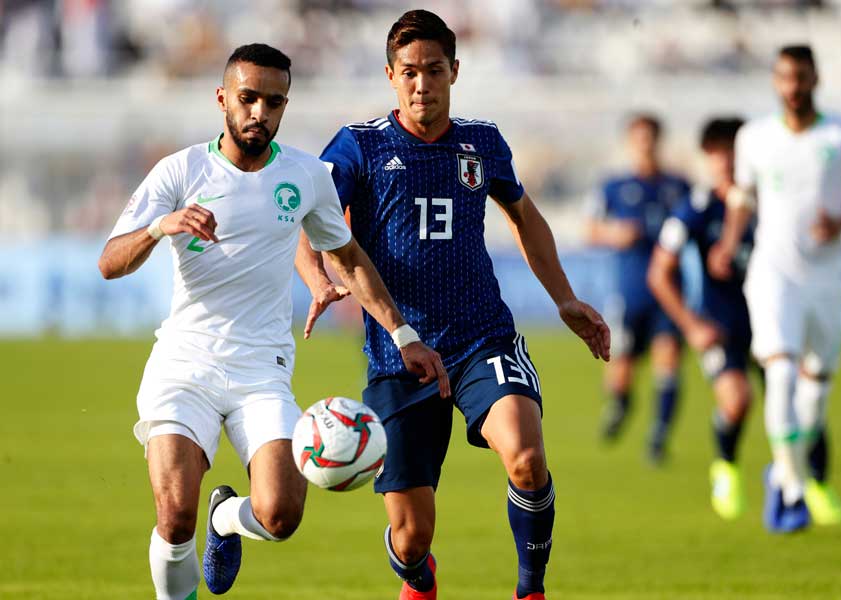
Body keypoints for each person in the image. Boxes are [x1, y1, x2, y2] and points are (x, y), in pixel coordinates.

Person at [98, 43, 448, 599]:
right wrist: (161, 226)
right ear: (222, 99)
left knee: (281, 515)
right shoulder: (182, 170)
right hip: (184, 364)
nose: (259, 112)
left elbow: (349, 256)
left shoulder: (306, 175)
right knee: (174, 517)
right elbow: (110, 261)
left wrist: (402, 333)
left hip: (262, 368)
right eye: (248, 98)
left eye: (274, 101)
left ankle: (227, 520)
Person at [296, 11, 610, 600]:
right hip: (398, 354)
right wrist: (317, 279)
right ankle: (419, 578)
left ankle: (530, 589)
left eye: (434, 70)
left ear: (454, 72)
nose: (422, 84)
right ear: (391, 75)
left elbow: (524, 215)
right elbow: (311, 226)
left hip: (480, 338)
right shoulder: (358, 145)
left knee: (525, 456)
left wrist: (564, 298)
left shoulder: (481, 142)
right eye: (409, 72)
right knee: (412, 538)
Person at [709, 45, 841, 533]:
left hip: (827, 277)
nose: (793, 87)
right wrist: (728, 243)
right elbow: (743, 199)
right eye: (785, 78)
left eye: (802, 78)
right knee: (781, 372)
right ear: (776, 81)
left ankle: (787, 468)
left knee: (814, 395)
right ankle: (791, 487)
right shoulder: (755, 137)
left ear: (817, 79)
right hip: (773, 273)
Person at [648, 117, 754, 520]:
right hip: (720, 324)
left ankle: (805, 481)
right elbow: (660, 272)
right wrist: (692, 325)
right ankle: (726, 466)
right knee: (737, 400)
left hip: (772, 316)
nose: (725, 162)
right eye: (717, 154)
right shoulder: (695, 208)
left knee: (796, 403)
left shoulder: (767, 203)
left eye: (732, 153)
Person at [585, 114, 690, 462]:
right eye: (639, 138)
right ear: (630, 142)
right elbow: (590, 230)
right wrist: (614, 233)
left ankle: (658, 437)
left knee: (668, 358)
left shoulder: (678, 186)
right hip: (629, 291)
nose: (645, 144)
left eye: (650, 137)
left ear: (659, 140)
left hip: (669, 292)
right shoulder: (613, 186)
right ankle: (620, 404)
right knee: (622, 365)